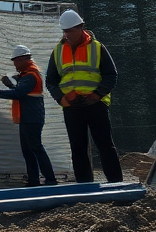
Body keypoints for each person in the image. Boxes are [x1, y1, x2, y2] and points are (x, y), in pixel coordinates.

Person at [46, 10, 122, 183]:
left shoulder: (97, 47)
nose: (67, 34)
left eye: (70, 30)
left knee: (105, 145)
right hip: (72, 106)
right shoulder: (58, 51)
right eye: (64, 31)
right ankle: (85, 187)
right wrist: (61, 98)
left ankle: (117, 185)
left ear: (81, 27)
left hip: (95, 104)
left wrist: (97, 95)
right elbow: (50, 80)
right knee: (77, 148)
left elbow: (111, 74)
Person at [0, 45, 57, 187]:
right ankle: (34, 180)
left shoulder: (30, 76)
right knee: (29, 150)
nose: (15, 64)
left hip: (31, 118)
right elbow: (20, 91)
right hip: (28, 117)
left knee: (35, 148)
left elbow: (18, 93)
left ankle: (50, 179)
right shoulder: (28, 74)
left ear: (24, 59)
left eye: (16, 61)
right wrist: (10, 85)